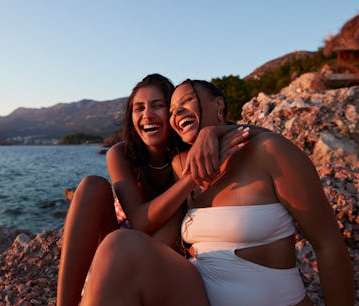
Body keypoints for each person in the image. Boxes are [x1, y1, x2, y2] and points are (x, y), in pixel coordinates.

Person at [81, 79, 354, 306]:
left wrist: (217, 131)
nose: (177, 114)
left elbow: (329, 246)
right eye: (173, 110)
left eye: (186, 101)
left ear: (219, 104)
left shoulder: (270, 152)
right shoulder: (181, 166)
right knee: (120, 246)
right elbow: (160, 242)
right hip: (198, 297)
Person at [57, 74, 251, 305]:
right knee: (92, 186)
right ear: (131, 117)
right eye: (139, 108)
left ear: (172, 113)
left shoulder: (187, 153)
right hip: (121, 246)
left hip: (168, 255)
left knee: (177, 209)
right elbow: (139, 222)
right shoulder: (120, 154)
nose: (147, 115)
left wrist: (212, 132)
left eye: (158, 106)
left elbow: (250, 132)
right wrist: (192, 178)